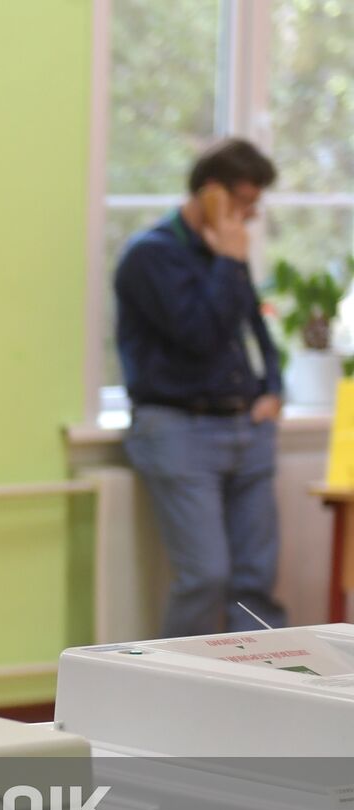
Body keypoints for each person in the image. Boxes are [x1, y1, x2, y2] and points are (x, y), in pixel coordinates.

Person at [114, 137, 286, 638]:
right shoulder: (151, 257)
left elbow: (253, 328)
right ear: (212, 193)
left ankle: (267, 690)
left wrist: (272, 389)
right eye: (244, 202)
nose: (250, 217)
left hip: (245, 426)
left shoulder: (224, 251)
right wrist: (231, 262)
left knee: (255, 577)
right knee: (206, 577)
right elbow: (200, 335)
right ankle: (176, 695)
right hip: (178, 429)